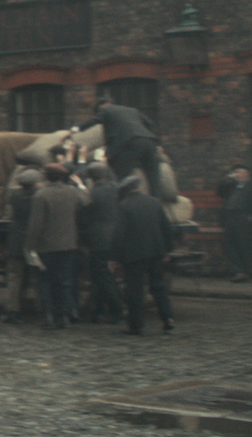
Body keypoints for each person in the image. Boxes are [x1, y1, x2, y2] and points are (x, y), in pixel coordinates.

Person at [109, 175, 175, 334]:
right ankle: (167, 318)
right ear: (139, 187)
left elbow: (119, 234)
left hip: (134, 255)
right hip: (156, 252)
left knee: (134, 290)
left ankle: (136, 325)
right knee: (158, 286)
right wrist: (167, 250)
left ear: (125, 191)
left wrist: (113, 258)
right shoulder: (154, 202)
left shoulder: (124, 206)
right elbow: (166, 228)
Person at [27, 163, 90, 329]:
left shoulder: (41, 195)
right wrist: (80, 184)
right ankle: (63, 316)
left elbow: (36, 225)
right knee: (64, 282)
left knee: (45, 282)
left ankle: (47, 316)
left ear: (47, 177)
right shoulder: (72, 192)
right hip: (68, 245)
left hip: (46, 247)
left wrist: (31, 246)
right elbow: (87, 200)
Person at [72, 95, 162, 200]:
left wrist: (75, 129)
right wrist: (157, 142)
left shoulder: (105, 110)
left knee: (120, 177)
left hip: (131, 143)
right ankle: (157, 203)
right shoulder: (131, 110)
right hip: (149, 142)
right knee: (154, 178)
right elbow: (150, 124)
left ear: (101, 107)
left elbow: (94, 120)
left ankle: (120, 203)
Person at [79, 162, 125, 323]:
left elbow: (83, 219)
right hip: (117, 238)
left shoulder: (92, 194)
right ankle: (97, 311)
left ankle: (116, 310)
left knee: (103, 276)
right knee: (102, 277)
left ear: (91, 178)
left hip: (99, 240)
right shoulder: (117, 190)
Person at [2, 168, 41, 324]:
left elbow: (9, 214)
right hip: (35, 243)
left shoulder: (14, 196)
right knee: (37, 277)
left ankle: (12, 310)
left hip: (17, 241)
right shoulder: (39, 196)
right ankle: (40, 309)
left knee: (14, 277)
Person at [217, 164, 252, 283]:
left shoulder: (249, 186)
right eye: (235, 172)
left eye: (239, 172)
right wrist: (225, 180)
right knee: (229, 244)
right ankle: (238, 271)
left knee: (243, 244)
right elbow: (220, 193)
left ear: (246, 174)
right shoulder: (232, 186)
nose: (237, 174)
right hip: (229, 217)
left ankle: (246, 271)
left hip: (243, 217)